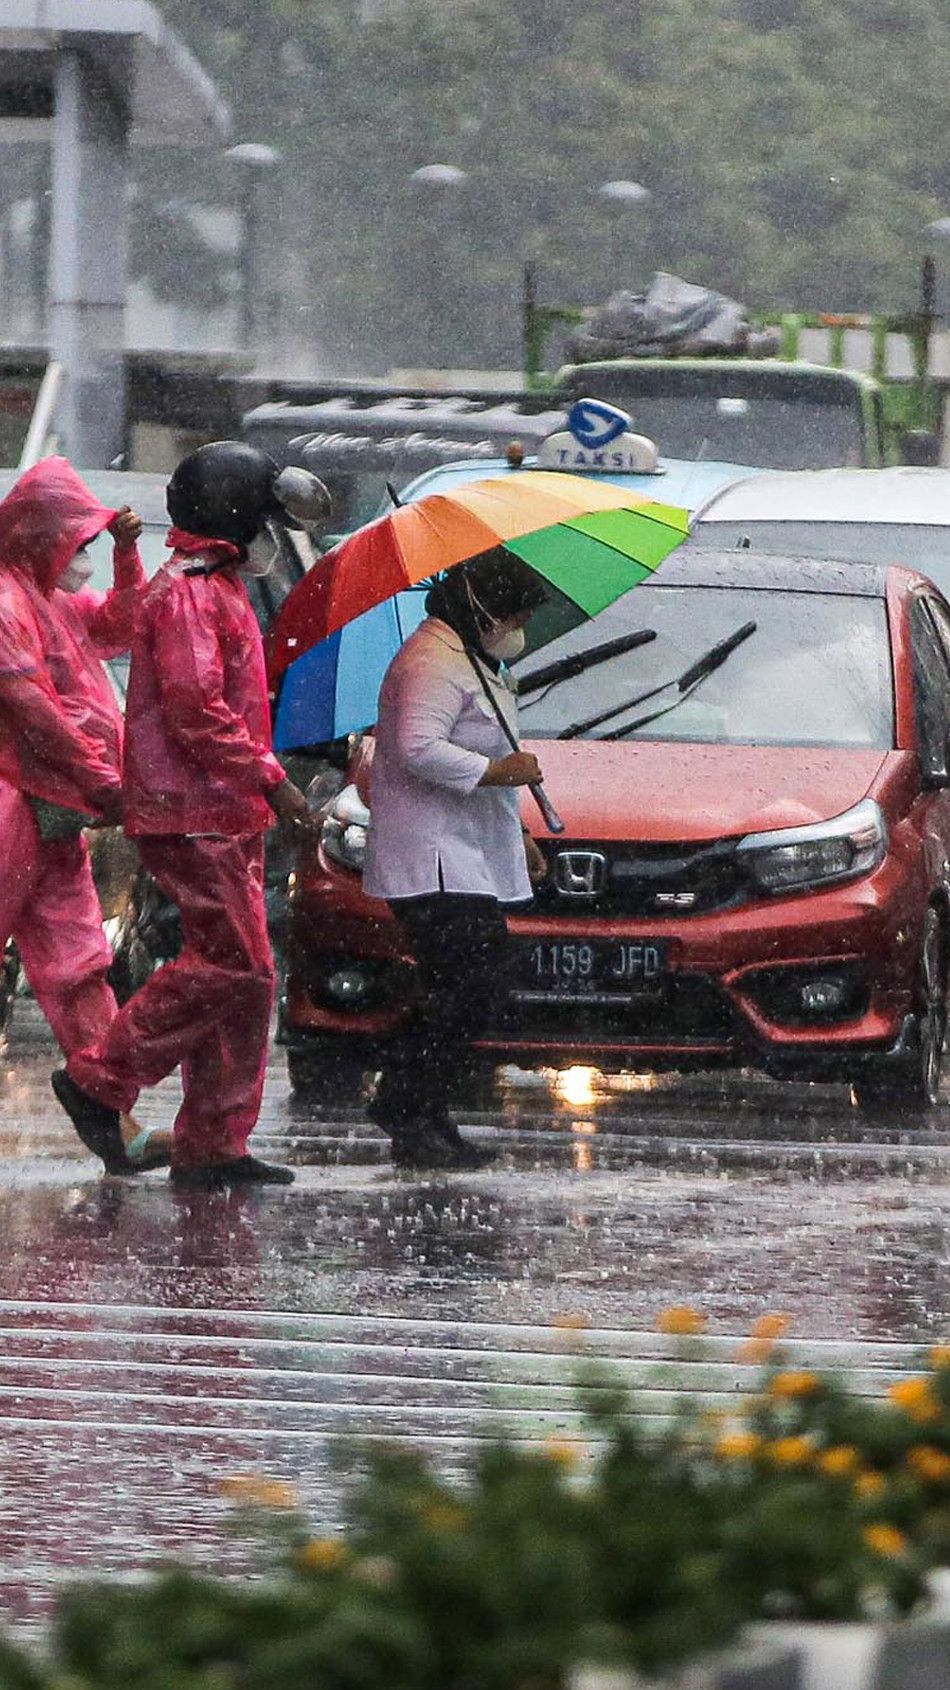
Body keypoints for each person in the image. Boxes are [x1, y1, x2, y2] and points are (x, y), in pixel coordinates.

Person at [52, 442, 327, 1189]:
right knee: (234, 962)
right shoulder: (189, 593)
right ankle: (100, 1079)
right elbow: (196, 710)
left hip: (226, 810)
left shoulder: (223, 586)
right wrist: (275, 782)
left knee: (252, 975)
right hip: (190, 810)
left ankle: (214, 1141)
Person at [0, 456, 168, 1171]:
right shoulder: (7, 606)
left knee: (79, 967)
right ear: (42, 537)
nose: (85, 557)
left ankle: (114, 1115)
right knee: (74, 964)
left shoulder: (49, 603)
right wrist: (102, 779)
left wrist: (131, 555)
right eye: (79, 541)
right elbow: (31, 709)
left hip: (54, 813)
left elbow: (128, 624)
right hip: (16, 803)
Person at [362, 550, 548, 1171]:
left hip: (465, 853)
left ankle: (425, 1108)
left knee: (466, 985)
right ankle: (402, 1097)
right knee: (469, 982)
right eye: (515, 613)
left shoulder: (472, 660)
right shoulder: (431, 663)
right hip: (431, 857)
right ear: (483, 607)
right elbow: (418, 749)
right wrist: (497, 772)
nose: (518, 627)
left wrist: (515, 831)